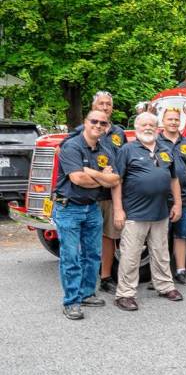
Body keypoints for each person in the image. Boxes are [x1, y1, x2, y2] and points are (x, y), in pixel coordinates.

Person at [113, 112, 184, 311]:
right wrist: (118, 209)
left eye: (152, 124)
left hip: (161, 212)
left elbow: (174, 179)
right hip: (135, 213)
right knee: (130, 255)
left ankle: (165, 286)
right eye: (144, 124)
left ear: (157, 127)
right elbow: (117, 181)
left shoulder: (165, 150)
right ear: (137, 128)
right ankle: (125, 294)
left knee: (161, 252)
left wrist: (177, 203)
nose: (148, 128)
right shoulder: (127, 150)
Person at [53, 110, 120, 320]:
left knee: (92, 255)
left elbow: (116, 179)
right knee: (71, 257)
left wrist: (92, 173)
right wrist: (103, 177)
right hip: (69, 208)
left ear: (106, 126)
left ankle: (87, 294)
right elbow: (78, 179)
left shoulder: (105, 149)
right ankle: (71, 301)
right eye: (94, 121)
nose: (98, 125)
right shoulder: (71, 146)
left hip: (92, 207)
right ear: (85, 122)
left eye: (103, 122)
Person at [157, 107, 186, 287]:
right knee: (159, 238)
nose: (173, 122)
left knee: (181, 235)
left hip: (184, 197)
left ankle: (181, 271)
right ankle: (160, 274)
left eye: (176, 119)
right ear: (163, 121)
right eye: (170, 119)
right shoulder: (155, 142)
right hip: (160, 198)